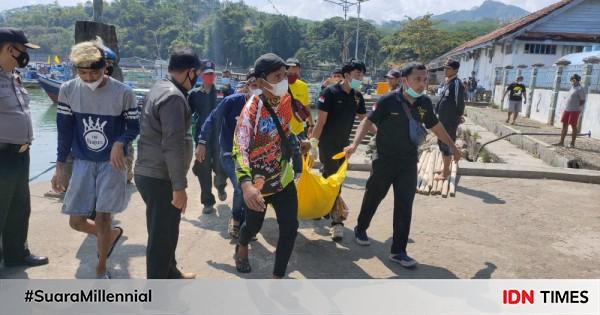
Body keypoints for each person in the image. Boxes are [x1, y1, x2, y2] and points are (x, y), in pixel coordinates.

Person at [345, 62, 462, 268]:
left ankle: (398, 251)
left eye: (425, 79)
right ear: (405, 80)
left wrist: (452, 146)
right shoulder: (388, 100)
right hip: (384, 160)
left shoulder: (424, 102)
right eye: (417, 79)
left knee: (404, 205)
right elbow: (366, 121)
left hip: (408, 161)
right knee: (374, 196)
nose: (422, 84)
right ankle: (361, 227)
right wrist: (354, 145)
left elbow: (435, 125)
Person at [51, 38, 139, 279]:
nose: (89, 78)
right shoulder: (68, 90)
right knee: (76, 221)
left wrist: (120, 142)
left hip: (113, 163)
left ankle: (101, 268)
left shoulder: (124, 93)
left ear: (106, 68)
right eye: (83, 72)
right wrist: (59, 165)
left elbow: (133, 126)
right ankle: (108, 235)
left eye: (94, 72)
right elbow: (64, 130)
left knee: (103, 217)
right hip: (82, 160)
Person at [134, 47, 200, 279]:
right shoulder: (173, 96)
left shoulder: (160, 87)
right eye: (197, 75)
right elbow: (172, 144)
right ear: (190, 72)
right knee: (161, 238)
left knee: (166, 230)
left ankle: (171, 272)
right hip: (160, 176)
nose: (197, 80)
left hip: (151, 173)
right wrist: (179, 186)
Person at [233, 53, 299, 279]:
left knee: (290, 228)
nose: (283, 81)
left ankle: (278, 277)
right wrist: (246, 184)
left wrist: (296, 142)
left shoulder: (286, 99)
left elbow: (285, 129)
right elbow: (240, 147)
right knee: (253, 228)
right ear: (261, 81)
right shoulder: (251, 109)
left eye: (285, 75)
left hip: (282, 177)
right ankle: (241, 246)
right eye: (277, 76)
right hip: (258, 183)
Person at [0, 27, 48, 267]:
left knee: (19, 207)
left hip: (20, 156)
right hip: (2, 156)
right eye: (23, 50)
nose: (25, 56)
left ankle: (16, 253)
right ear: (10, 49)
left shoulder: (13, 76)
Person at [196, 70, 259, 239]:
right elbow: (212, 118)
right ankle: (237, 220)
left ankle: (247, 224)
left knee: (254, 187)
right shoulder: (232, 101)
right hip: (230, 152)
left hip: (252, 154)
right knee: (241, 185)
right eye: (253, 83)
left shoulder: (264, 105)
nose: (256, 87)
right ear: (247, 85)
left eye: (260, 83)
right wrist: (202, 142)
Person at [310, 59, 367, 241]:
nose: (360, 77)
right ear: (346, 75)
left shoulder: (357, 96)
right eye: (357, 74)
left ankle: (322, 207)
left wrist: (380, 134)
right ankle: (337, 222)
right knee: (336, 180)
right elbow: (321, 121)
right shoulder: (330, 93)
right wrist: (313, 143)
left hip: (344, 145)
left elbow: (364, 119)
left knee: (330, 177)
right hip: (327, 143)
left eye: (362, 74)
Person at [189, 60, 227, 214]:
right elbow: (186, 115)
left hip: (221, 137)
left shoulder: (224, 92)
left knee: (222, 165)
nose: (210, 77)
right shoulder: (194, 94)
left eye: (212, 74)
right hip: (202, 139)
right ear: (200, 75)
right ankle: (207, 201)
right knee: (203, 169)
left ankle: (220, 185)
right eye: (206, 74)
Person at [434, 60, 465, 180]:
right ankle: (444, 168)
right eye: (445, 68)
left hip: (450, 121)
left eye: (448, 68)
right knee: (441, 144)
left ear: (455, 70)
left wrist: (459, 115)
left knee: (447, 144)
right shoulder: (447, 83)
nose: (445, 70)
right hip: (442, 120)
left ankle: (445, 172)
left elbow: (460, 102)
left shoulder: (456, 84)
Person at [286, 57, 314, 174]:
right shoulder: (279, 85)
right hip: (283, 129)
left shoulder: (303, 86)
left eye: (295, 69)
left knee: (302, 155)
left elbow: (306, 107)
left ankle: (299, 178)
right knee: (285, 157)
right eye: (290, 69)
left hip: (298, 128)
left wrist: (311, 124)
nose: (292, 72)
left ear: (299, 71)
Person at [557, 74, 586, 148]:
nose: (572, 81)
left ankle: (572, 143)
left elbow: (582, 100)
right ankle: (561, 142)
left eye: (573, 80)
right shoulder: (572, 88)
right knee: (564, 125)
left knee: (573, 126)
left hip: (575, 110)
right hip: (567, 109)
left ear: (577, 80)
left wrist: (577, 107)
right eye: (571, 80)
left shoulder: (580, 89)